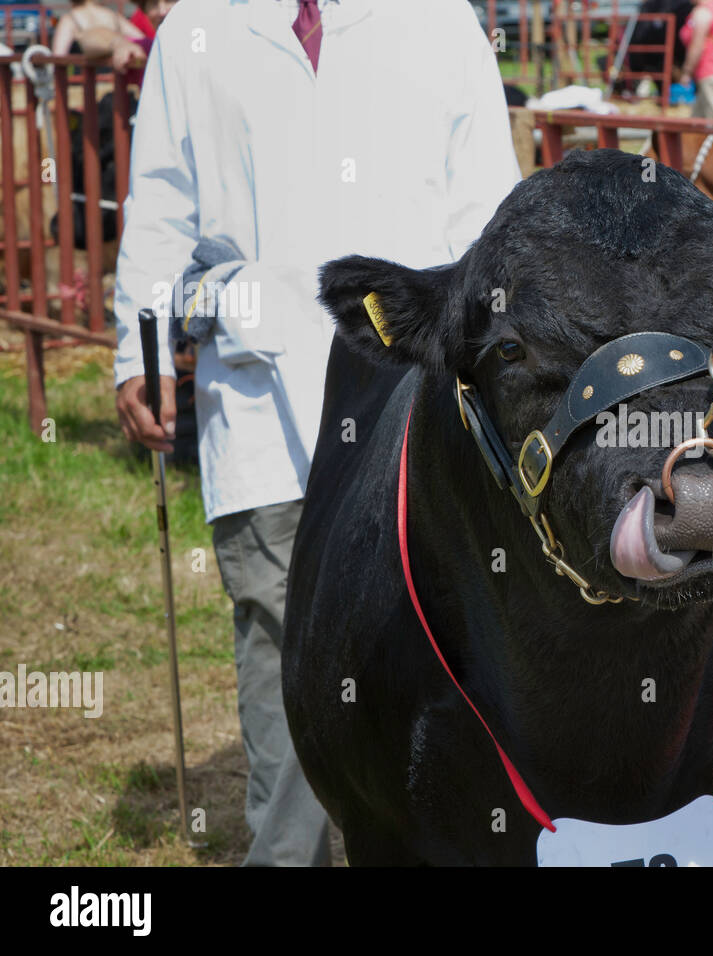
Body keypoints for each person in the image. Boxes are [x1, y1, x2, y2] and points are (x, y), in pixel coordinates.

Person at [113, 0, 520, 866]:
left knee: (433, 634)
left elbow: (488, 218)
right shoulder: (200, 29)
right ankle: (287, 857)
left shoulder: (442, 22)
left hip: (414, 396)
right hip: (259, 392)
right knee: (277, 627)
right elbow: (159, 208)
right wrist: (137, 349)